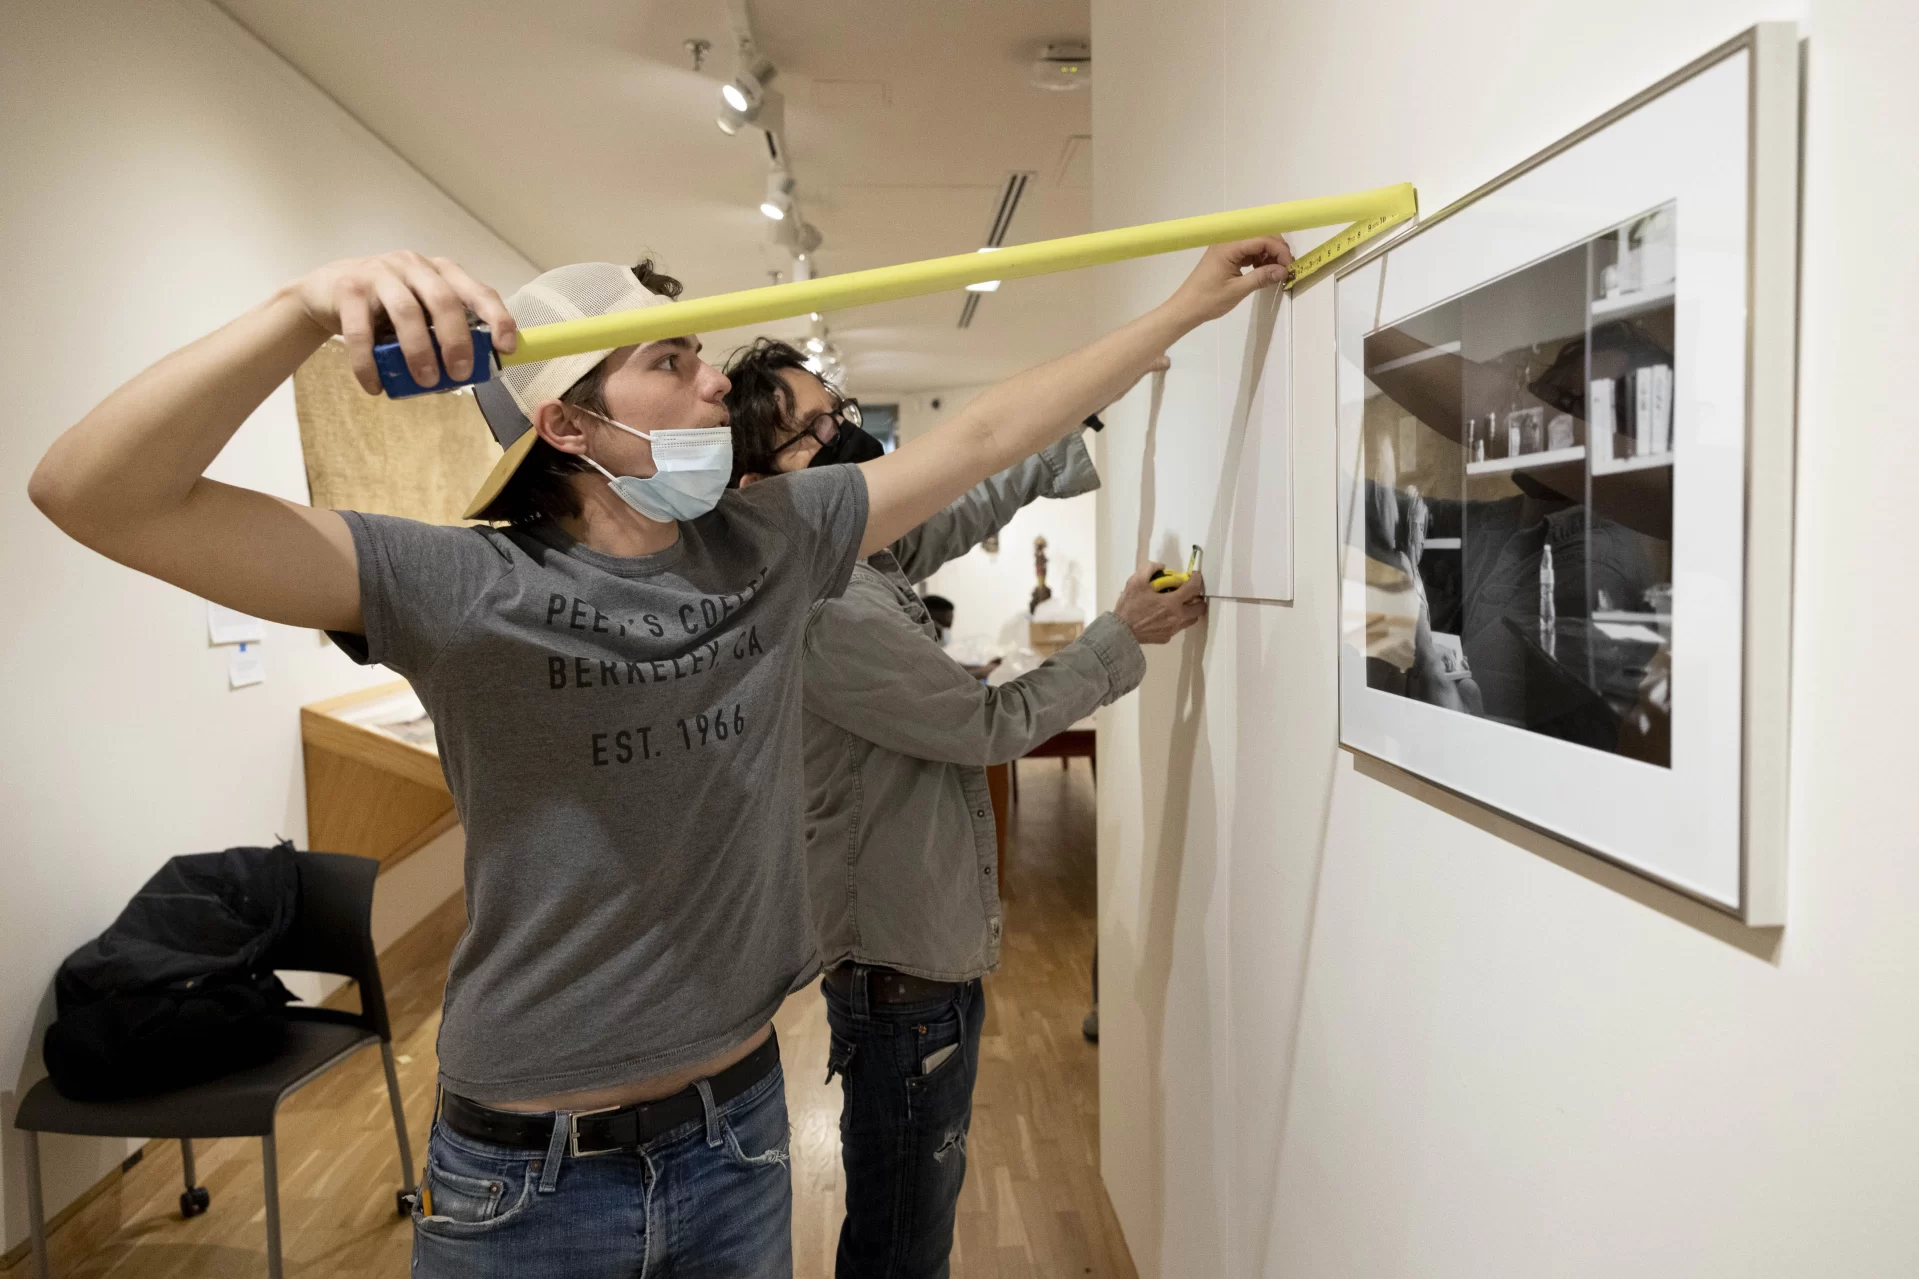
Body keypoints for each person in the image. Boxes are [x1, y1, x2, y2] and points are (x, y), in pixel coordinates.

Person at [28, 236, 1287, 1275]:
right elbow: (94, 492)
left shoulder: (771, 540)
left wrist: (1180, 305)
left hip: (737, 1133)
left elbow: (976, 445)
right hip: (525, 1178)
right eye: (676, 362)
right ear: (569, 424)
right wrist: (296, 310)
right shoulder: (459, 583)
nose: (709, 393)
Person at [725, 336, 1222, 1277]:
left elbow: (956, 502)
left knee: (905, 1226)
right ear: (753, 482)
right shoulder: (825, 603)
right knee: (903, 1244)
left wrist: (1075, 410)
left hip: (902, 964)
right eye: (811, 434)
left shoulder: (844, 557)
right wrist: (1125, 636)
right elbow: (989, 723)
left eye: (835, 411)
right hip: (900, 977)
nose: (844, 438)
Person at [916, 593, 1000, 679]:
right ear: (925, 621)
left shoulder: (929, 650)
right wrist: (983, 672)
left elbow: (950, 667)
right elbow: (943, 680)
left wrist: (986, 667)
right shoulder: (914, 651)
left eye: (949, 627)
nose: (945, 633)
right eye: (943, 627)